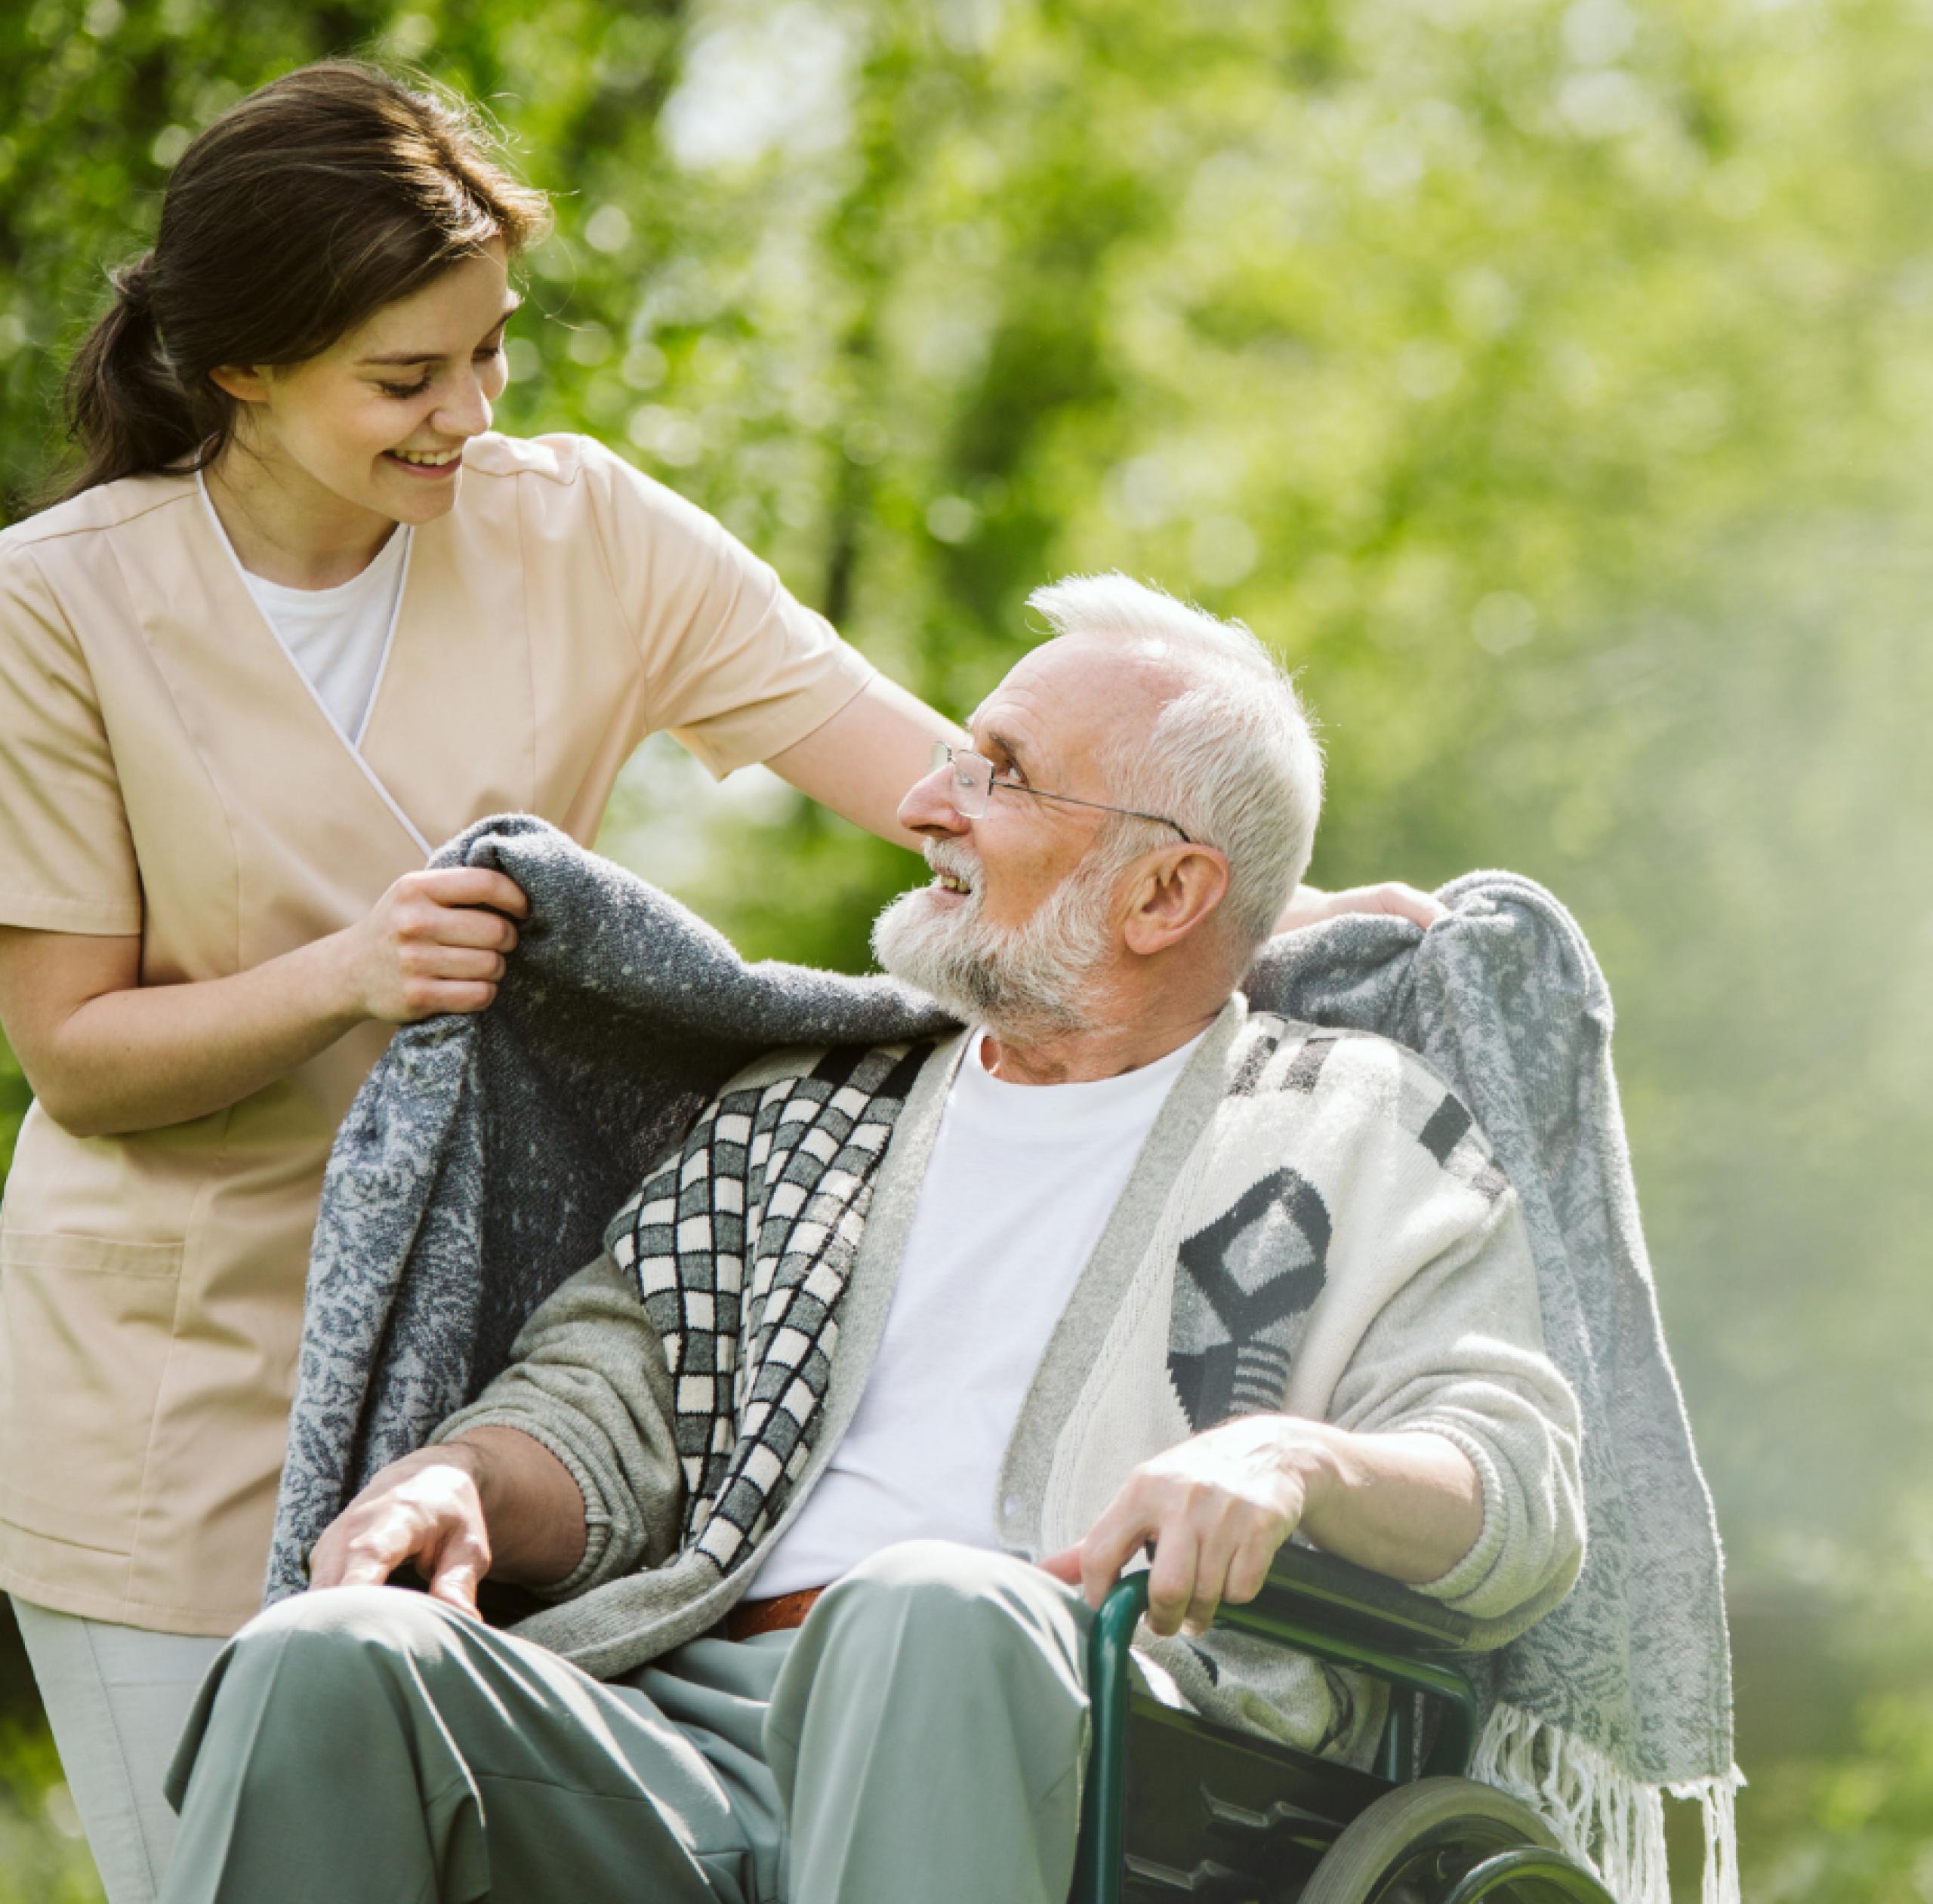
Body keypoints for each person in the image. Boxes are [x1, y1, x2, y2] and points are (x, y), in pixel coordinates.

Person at [0, 62, 1432, 1904]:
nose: (469, 415)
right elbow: (78, 1054)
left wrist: (1259, 899)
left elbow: (959, 792)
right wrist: (352, 971)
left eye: (490, 353)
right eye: (405, 379)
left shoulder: (580, 530)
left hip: (499, 1346)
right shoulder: (58, 602)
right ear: (245, 371)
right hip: (177, 1372)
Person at [156, 578, 1582, 1904]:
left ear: (1167, 894)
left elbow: (1515, 1483)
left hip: (1111, 1744)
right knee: (331, 1657)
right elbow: (600, 1409)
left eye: (999, 773)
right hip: (682, 1730)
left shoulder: (1350, 1128)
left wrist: (1291, 1459)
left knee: (924, 1608)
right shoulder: (806, 1113)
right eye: (956, 757)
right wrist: (459, 1476)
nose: (923, 803)